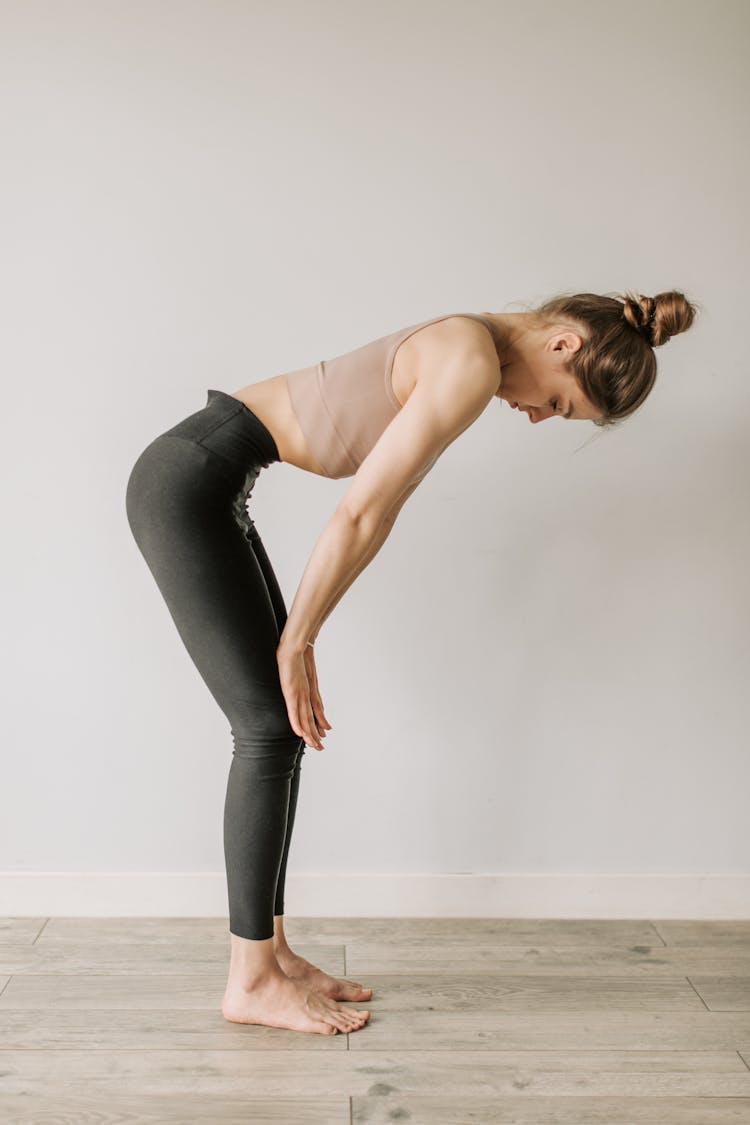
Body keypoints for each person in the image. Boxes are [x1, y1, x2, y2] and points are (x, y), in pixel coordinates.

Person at [124, 288, 698, 1036]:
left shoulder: (472, 349)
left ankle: (271, 952)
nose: (535, 417)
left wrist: (303, 633)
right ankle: (251, 978)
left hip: (208, 477)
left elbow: (379, 511)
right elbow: (360, 511)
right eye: (559, 405)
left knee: (278, 729)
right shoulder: (467, 360)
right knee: (267, 726)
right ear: (563, 345)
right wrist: (299, 640)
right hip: (188, 480)